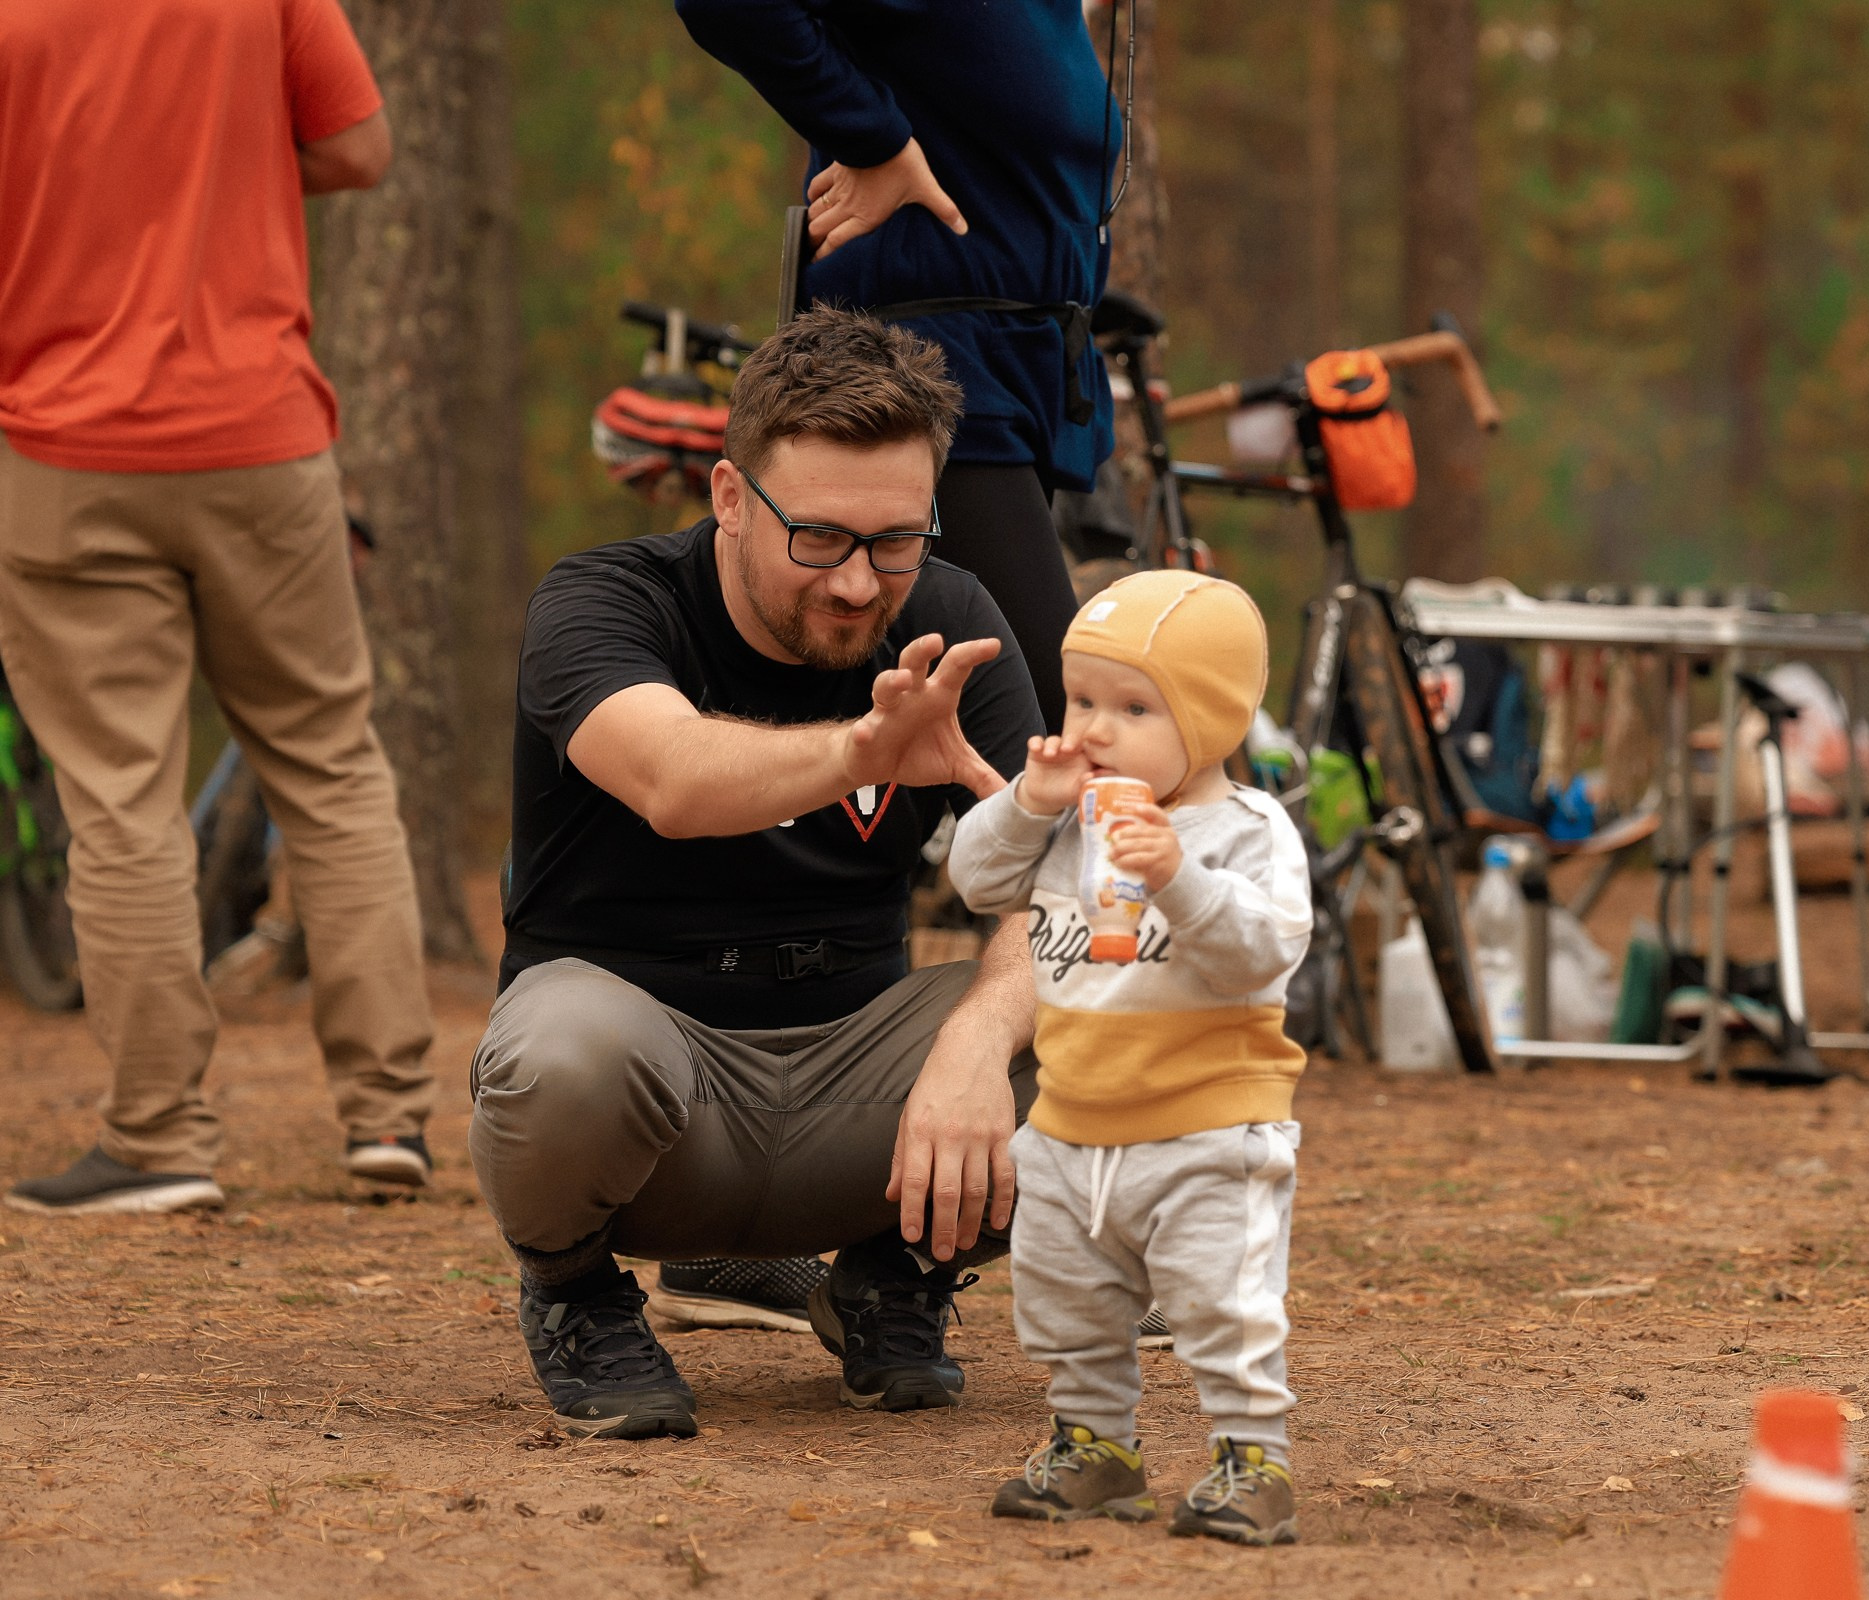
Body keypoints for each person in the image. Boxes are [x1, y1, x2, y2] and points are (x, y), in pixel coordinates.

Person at [471, 308, 1046, 1440]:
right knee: (564, 1048)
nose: (857, 583)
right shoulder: (603, 603)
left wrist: (979, 1044)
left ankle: (892, 1282)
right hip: (651, 1102)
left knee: (1105, 1005)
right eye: (820, 537)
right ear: (731, 499)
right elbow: (676, 778)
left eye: (896, 540)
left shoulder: (949, 618)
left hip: (861, 1099)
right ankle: (578, 1293)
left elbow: (1064, 884)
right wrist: (860, 752)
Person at [0, 0, 439, 1215]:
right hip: (261, 437)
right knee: (330, 765)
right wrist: (221, 172)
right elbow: (358, 146)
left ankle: (156, 1138)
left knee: (120, 794)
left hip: (62, 442)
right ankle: (389, 1117)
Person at [948, 570, 1314, 1547]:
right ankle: (1096, 1447)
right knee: (1068, 1300)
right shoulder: (1068, 818)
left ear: (1212, 720)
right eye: (1082, 700)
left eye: (1135, 707)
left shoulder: (1246, 831)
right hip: (1072, 1119)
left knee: (1220, 1300)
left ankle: (1251, 1457)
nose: (1097, 728)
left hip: (1209, 1124)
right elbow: (976, 879)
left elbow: (1264, 948)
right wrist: (1029, 798)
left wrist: (1175, 875)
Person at [676, 0, 1121, 734]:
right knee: (1054, 728)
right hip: (927, 381)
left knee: (961, 735)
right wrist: (871, 137)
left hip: (1020, 368)